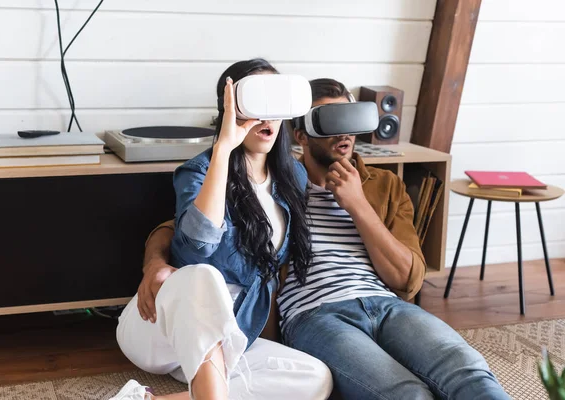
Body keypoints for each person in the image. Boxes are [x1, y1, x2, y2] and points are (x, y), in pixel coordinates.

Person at [275, 78, 510, 399]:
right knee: (406, 394)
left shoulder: (384, 185)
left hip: (386, 304)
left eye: (351, 118)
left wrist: (357, 204)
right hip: (315, 313)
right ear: (301, 134)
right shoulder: (276, 187)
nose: (345, 133)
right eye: (331, 121)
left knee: (469, 372)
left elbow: (408, 280)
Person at [111, 59, 332, 400]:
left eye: (274, 104)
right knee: (205, 276)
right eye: (255, 103)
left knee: (315, 377)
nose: (266, 116)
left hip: (232, 335)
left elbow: (268, 277)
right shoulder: (199, 171)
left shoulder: (294, 178)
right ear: (230, 108)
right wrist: (224, 149)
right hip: (161, 327)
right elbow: (197, 246)